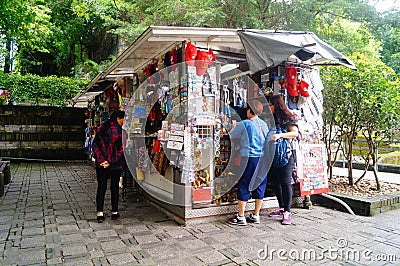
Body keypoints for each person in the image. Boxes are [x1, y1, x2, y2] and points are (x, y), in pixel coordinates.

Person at [227, 100, 269, 226]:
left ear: (249, 111)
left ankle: (241, 216)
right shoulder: (264, 124)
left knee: (244, 184)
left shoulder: (245, 123)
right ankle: (256, 215)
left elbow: (232, 135)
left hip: (249, 158)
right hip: (263, 159)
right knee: (260, 185)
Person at [267, 95, 299, 225]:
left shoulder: (288, 117)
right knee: (275, 182)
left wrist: (279, 135)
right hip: (274, 155)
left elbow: (294, 133)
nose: (268, 107)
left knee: (285, 182)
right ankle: (281, 207)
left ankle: (287, 211)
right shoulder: (272, 119)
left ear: (276, 105)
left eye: (270, 105)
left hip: (287, 154)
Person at [92, 110, 125, 223]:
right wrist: (110, 161)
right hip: (114, 164)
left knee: (101, 187)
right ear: (118, 118)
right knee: (114, 187)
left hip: (101, 164)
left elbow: (95, 144)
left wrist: (102, 160)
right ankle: (114, 211)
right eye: (122, 120)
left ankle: (100, 213)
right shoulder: (120, 131)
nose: (123, 122)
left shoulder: (102, 128)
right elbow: (120, 150)